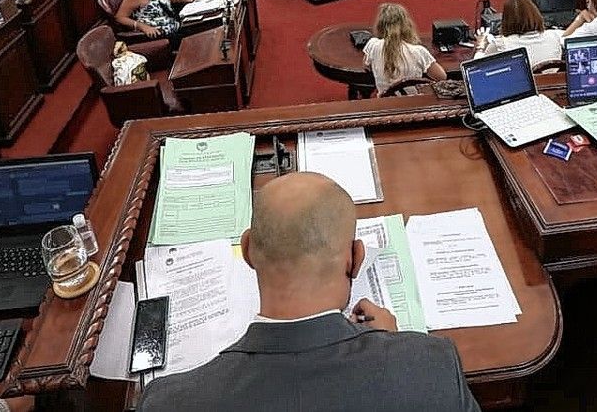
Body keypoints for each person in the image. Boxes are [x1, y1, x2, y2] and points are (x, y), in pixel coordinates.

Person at [137, 171, 479, 412]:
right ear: (355, 258)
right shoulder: (430, 365)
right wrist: (397, 348)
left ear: (247, 250)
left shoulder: (166, 401)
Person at [363, 3, 446, 94]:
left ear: (380, 25)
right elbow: (442, 76)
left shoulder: (373, 45)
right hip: (414, 104)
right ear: (406, 25)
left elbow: (366, 66)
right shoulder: (419, 51)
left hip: (385, 103)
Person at [473, 0, 562, 63]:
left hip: (522, 87)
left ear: (505, 20)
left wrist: (480, 47)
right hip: (553, 86)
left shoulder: (500, 45)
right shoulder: (555, 36)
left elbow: (477, 68)